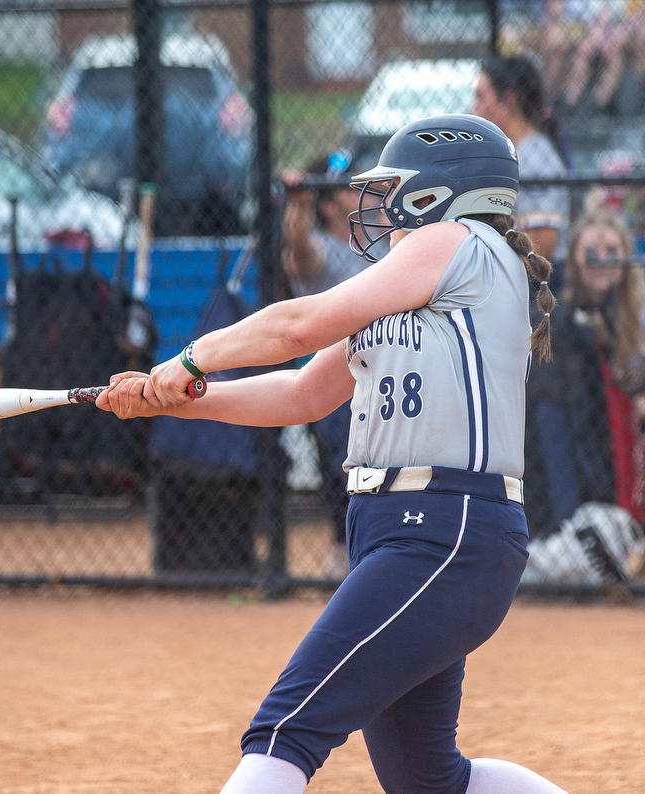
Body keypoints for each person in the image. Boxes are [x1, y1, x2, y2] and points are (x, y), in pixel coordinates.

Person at [96, 114, 570, 793]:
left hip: (443, 532)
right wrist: (177, 397)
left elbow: (301, 322)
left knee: (286, 730)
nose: (374, 209)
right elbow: (301, 395)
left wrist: (193, 356)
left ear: (442, 196)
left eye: (394, 191)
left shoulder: (460, 245)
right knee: (428, 779)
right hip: (404, 535)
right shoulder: (409, 291)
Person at [525, 207, 645, 541]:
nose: (601, 260)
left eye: (611, 251)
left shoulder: (630, 308)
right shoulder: (557, 305)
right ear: (575, 258)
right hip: (569, 420)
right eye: (590, 252)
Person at [280, 150, 370, 576]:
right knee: (339, 468)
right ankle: (343, 548)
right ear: (329, 205)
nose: (359, 192)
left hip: (381, 374)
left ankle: (368, 549)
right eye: (347, 188)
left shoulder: (381, 243)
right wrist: (298, 204)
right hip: (334, 378)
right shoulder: (316, 248)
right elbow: (297, 250)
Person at [474, 54, 570, 273]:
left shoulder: (535, 156)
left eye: (481, 97)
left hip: (539, 287)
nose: (475, 107)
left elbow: (542, 246)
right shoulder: (508, 151)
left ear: (509, 100)